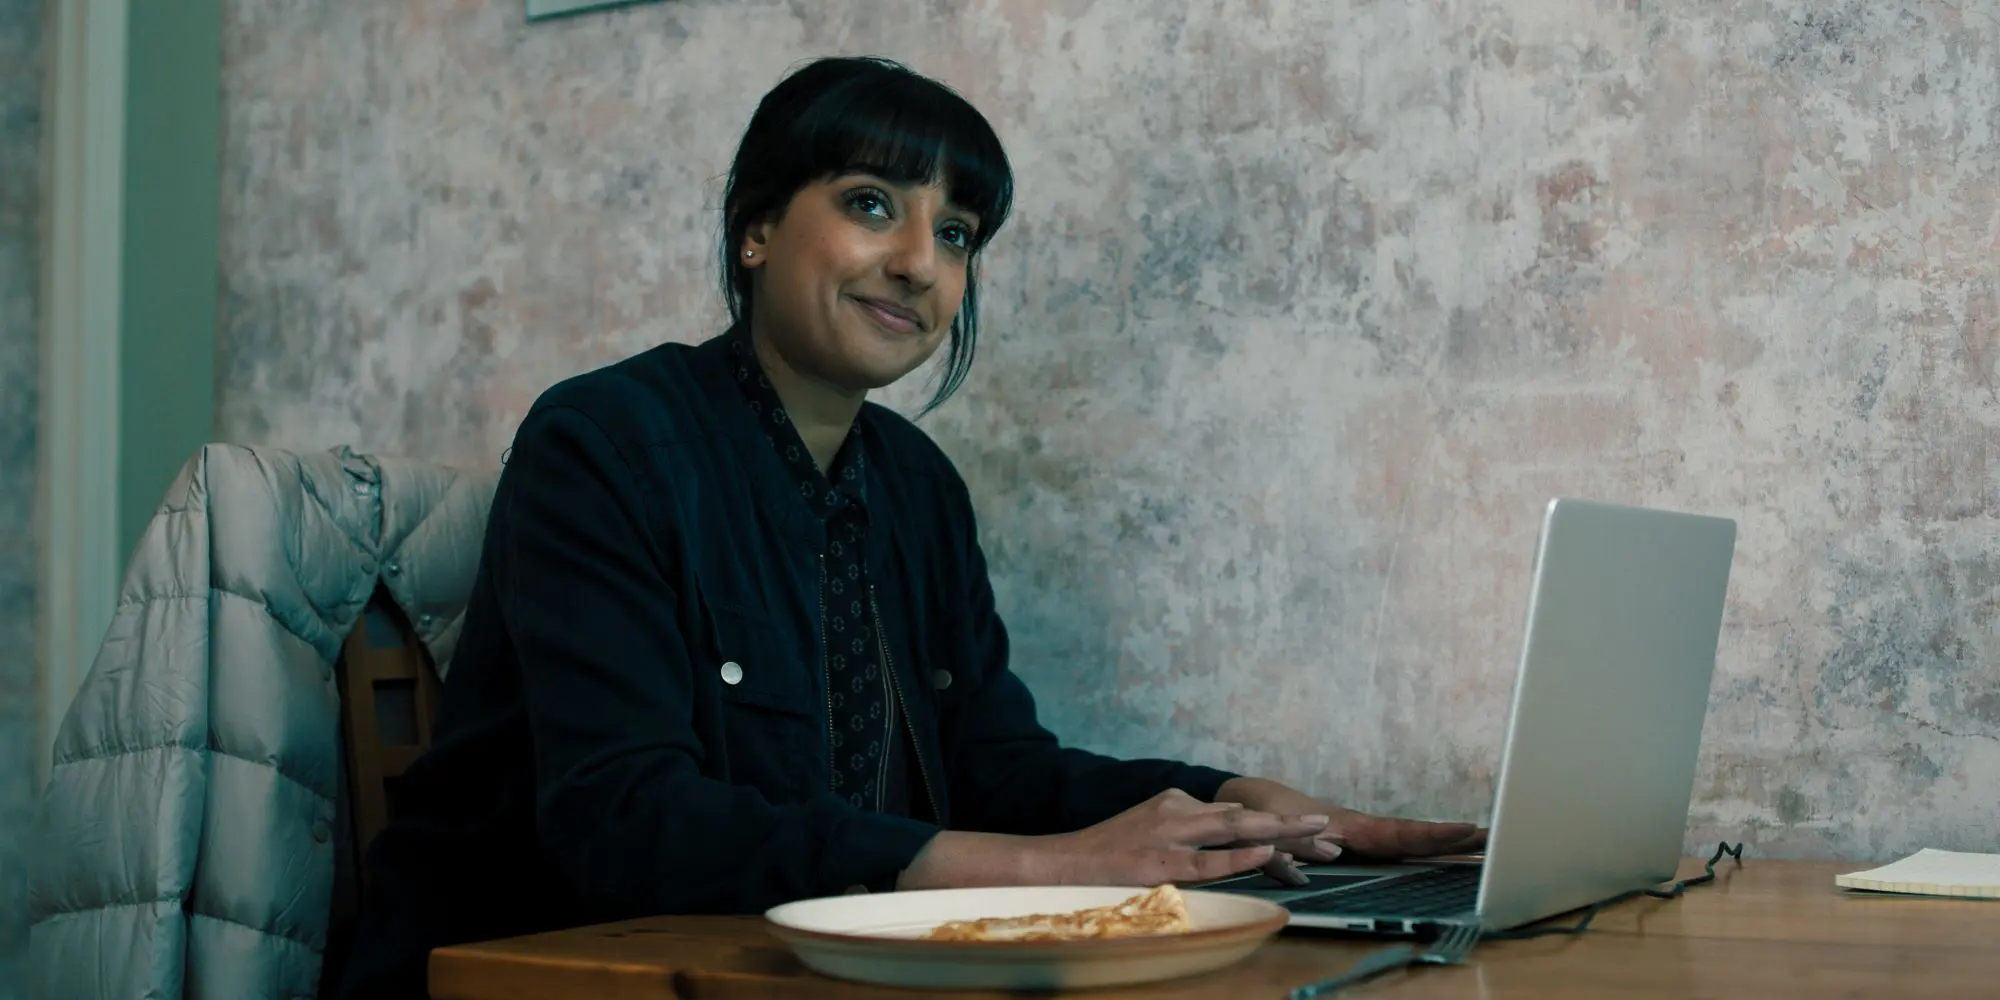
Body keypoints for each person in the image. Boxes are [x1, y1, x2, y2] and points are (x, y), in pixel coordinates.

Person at [336, 55, 1482, 998]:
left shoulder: (917, 484)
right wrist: (1051, 868)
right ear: (755, 231)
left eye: (957, 233)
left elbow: (994, 765)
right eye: (871, 204)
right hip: (543, 971)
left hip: (806, 976)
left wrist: (1241, 805)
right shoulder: (603, 442)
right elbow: (627, 820)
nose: (918, 263)